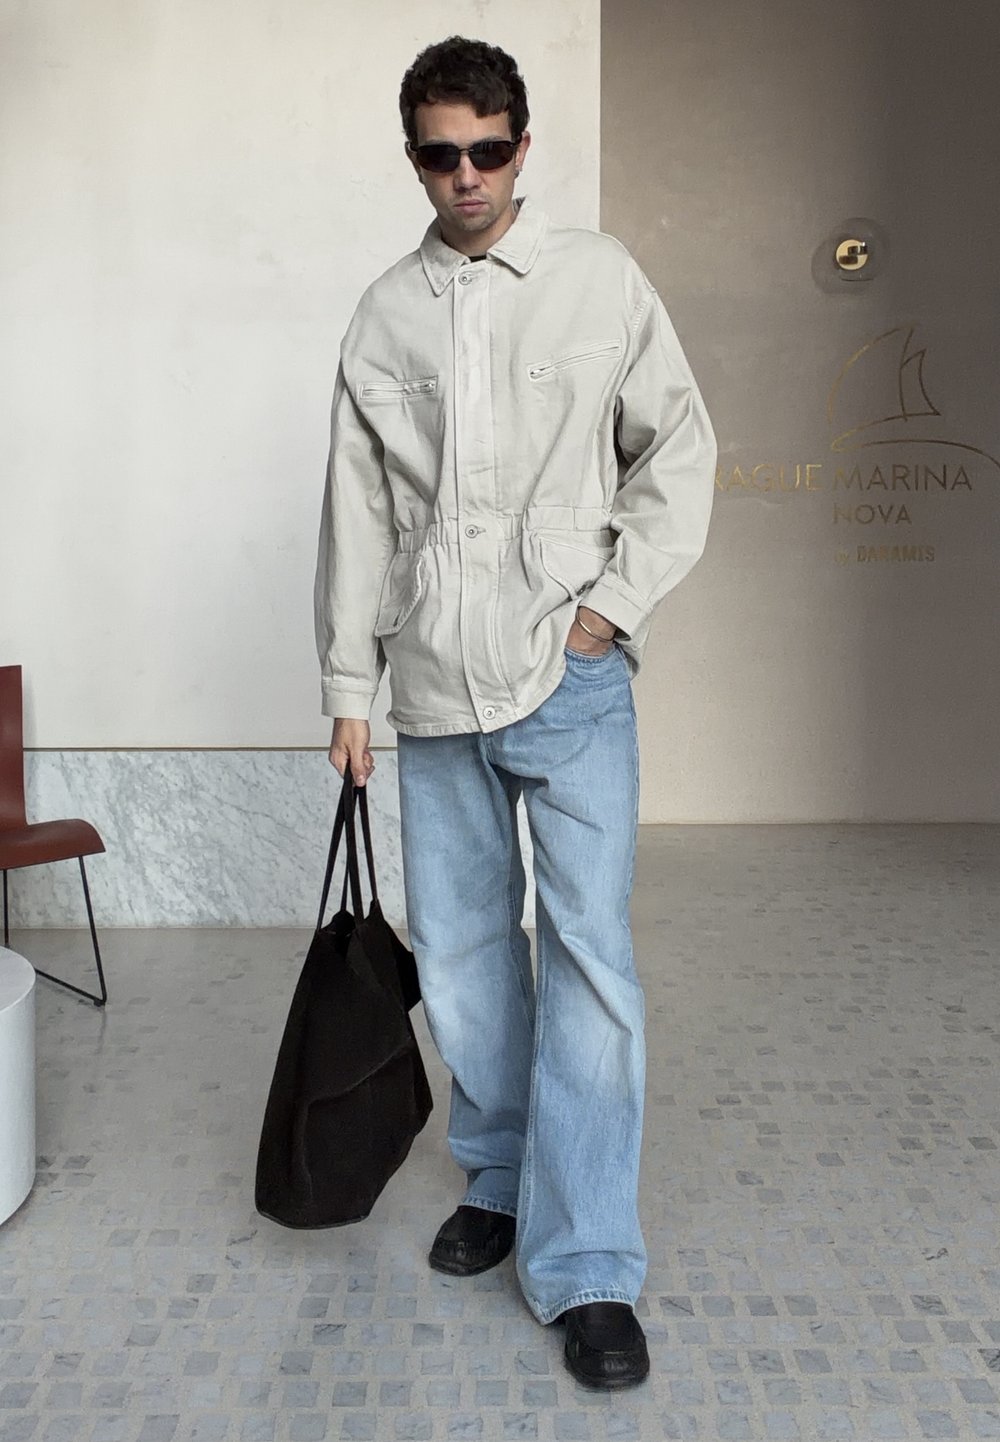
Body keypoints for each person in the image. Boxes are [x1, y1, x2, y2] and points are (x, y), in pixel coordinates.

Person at [314, 36, 716, 1390]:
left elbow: (679, 449)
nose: (468, 176)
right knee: (467, 954)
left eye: (489, 150)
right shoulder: (384, 313)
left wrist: (611, 608)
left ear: (523, 146)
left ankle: (589, 1261)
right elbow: (357, 511)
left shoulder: (599, 279)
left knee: (591, 957)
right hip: (433, 683)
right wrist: (348, 686)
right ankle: (497, 1174)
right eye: (442, 155)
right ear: (414, 159)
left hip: (572, 675)